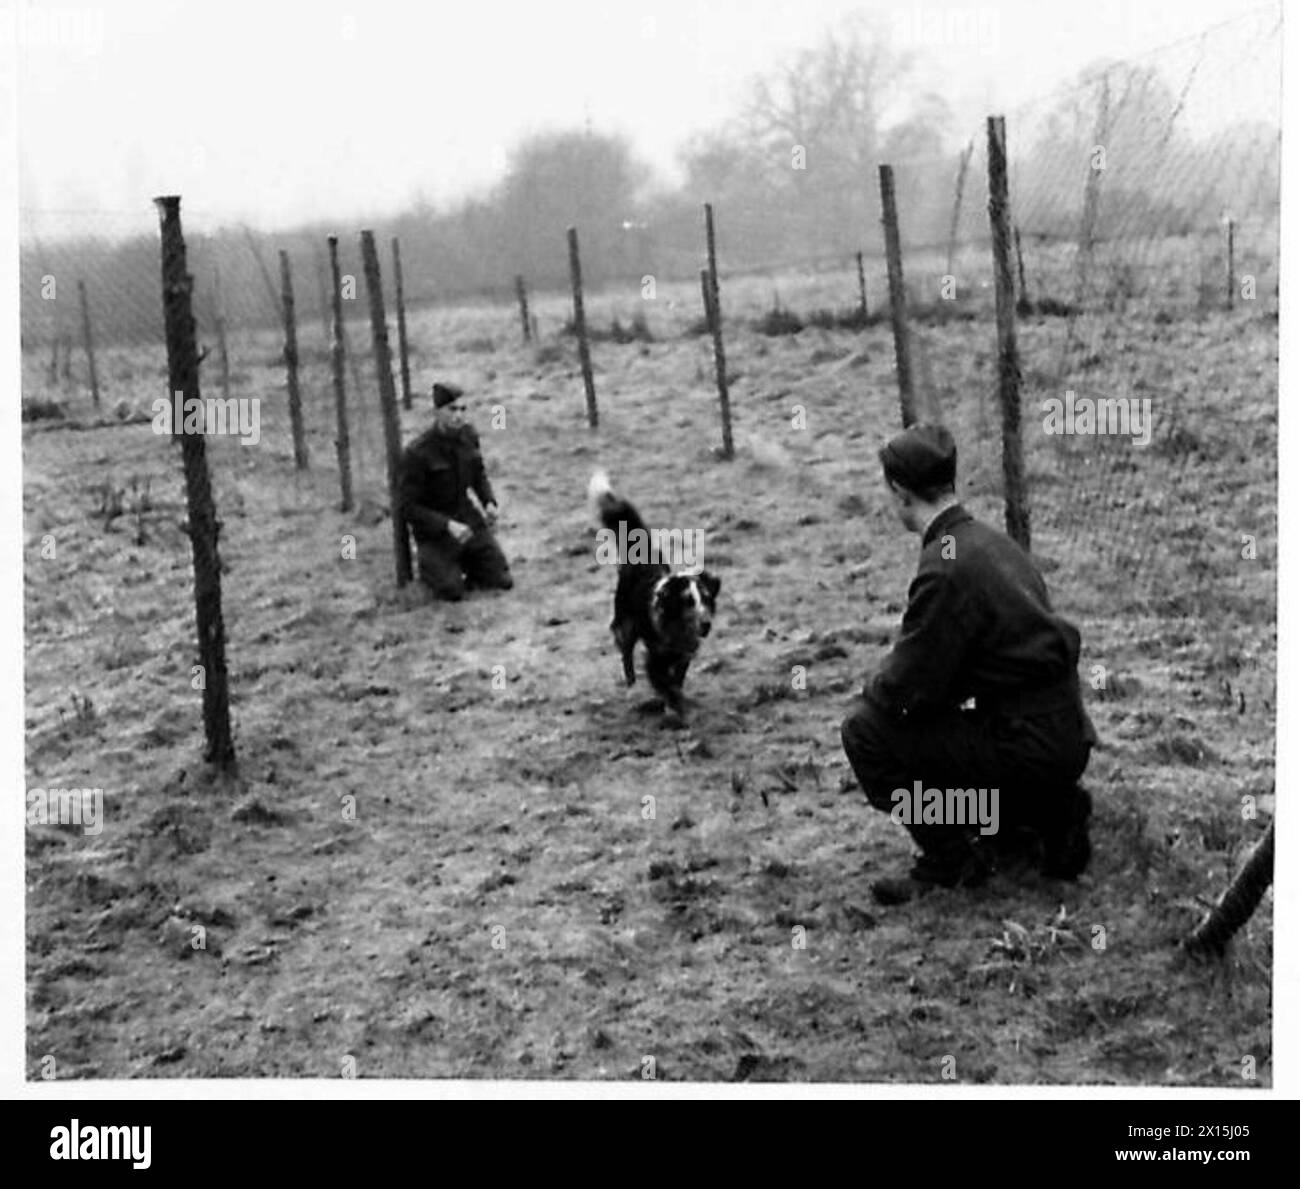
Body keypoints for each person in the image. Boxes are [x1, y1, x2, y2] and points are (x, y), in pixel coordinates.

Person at [840, 423, 1097, 905]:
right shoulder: (990, 542)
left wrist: (872, 689)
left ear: (898, 491)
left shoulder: (945, 563)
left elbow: (905, 690)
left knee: (866, 732)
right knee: (945, 726)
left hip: (1024, 744)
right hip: (1064, 735)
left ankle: (951, 860)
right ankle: (1043, 815)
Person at [398, 382, 513, 601]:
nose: (458, 416)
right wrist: (446, 525)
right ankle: (440, 569)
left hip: (466, 519)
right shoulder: (417, 453)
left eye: (462, 410)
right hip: (435, 533)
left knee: (501, 580)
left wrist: (489, 502)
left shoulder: (468, 437)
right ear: (437, 412)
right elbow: (408, 508)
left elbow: (478, 475)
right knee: (451, 591)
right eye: (452, 410)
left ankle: (467, 562)